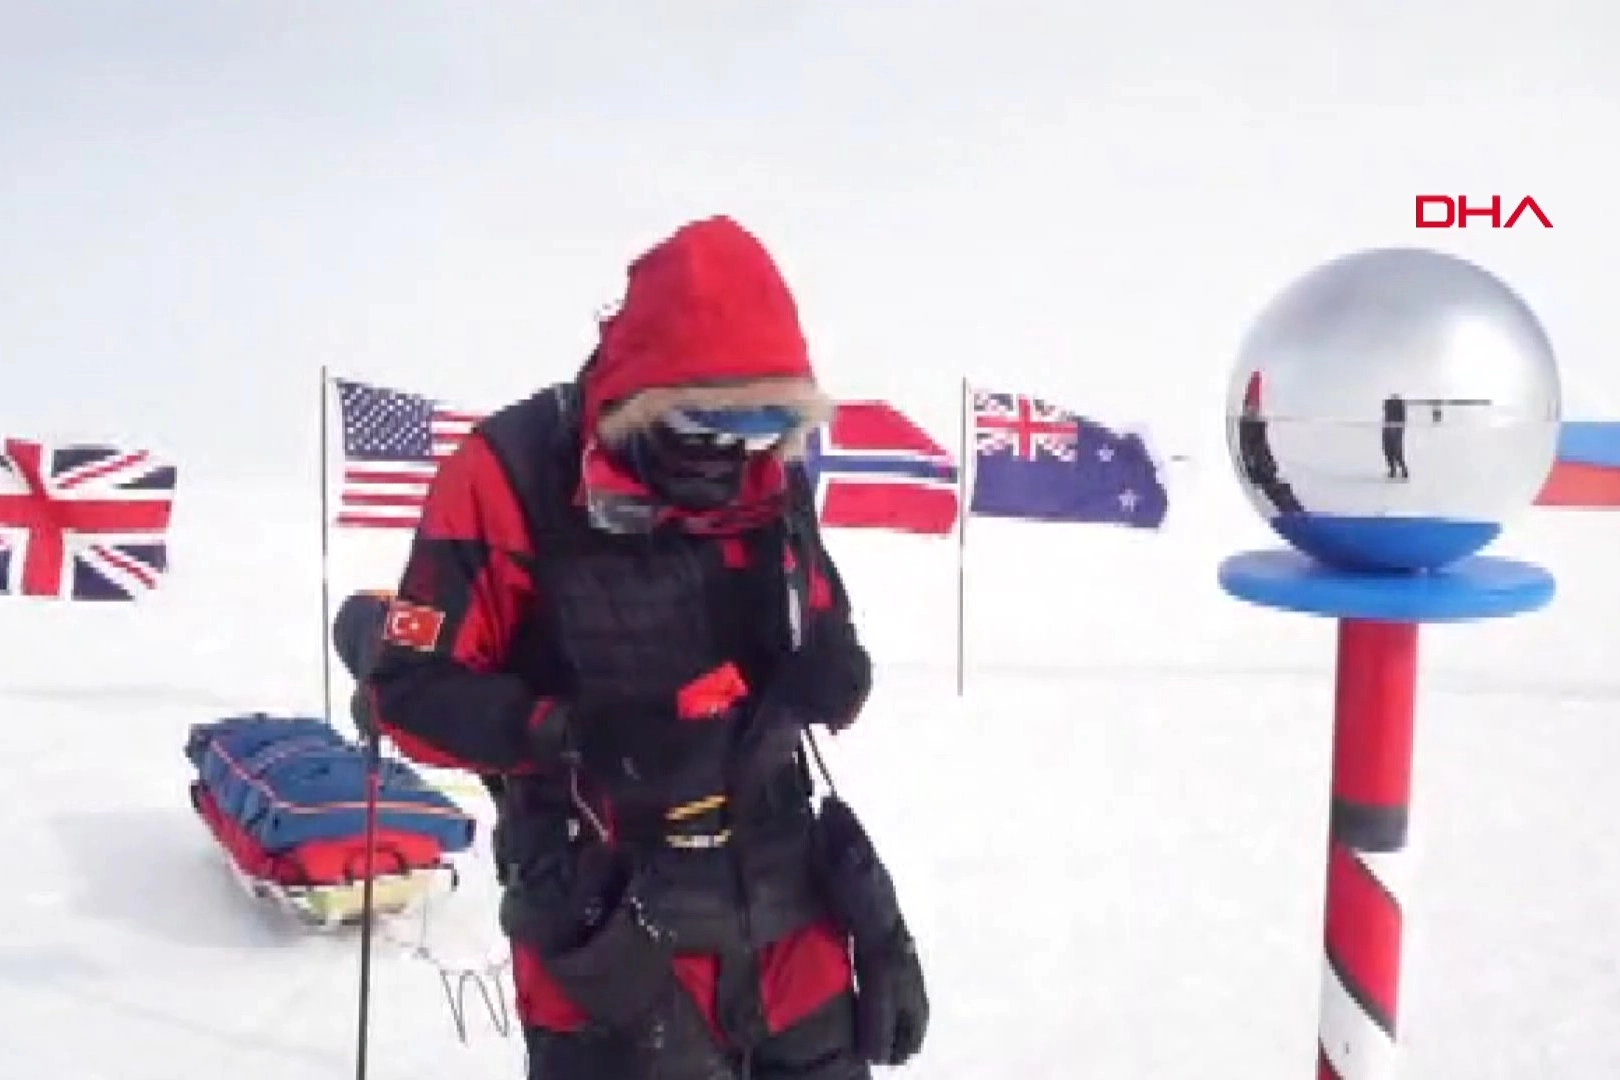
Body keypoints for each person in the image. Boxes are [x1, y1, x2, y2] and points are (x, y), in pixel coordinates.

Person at [362, 215, 928, 1080]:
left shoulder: (771, 481)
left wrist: (833, 666)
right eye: (711, 422)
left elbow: (818, 614)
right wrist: (569, 731)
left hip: (790, 907)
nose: (739, 451)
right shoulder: (510, 474)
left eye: (768, 422)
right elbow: (407, 691)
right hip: (607, 923)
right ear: (648, 394)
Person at [1382, 392, 1409, 480]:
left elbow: (1403, 420)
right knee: (1389, 451)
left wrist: (1400, 430)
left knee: (1396, 451)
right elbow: (1386, 416)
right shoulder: (1388, 404)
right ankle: (1394, 469)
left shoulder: (1399, 405)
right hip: (1389, 430)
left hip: (1395, 430)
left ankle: (1402, 469)